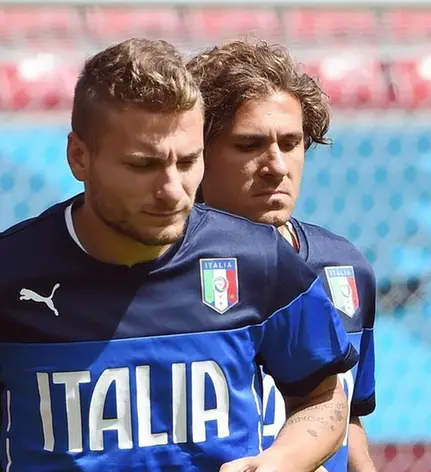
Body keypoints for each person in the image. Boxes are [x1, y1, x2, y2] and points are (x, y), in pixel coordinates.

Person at [0, 38, 357, 472]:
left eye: (187, 162)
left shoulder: (259, 261)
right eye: (143, 165)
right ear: (79, 157)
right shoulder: (11, 275)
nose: (172, 191)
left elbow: (323, 396)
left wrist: (280, 461)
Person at [188, 40, 378, 472]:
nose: (276, 166)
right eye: (249, 145)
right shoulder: (164, 275)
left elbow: (350, 420)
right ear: (197, 152)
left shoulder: (344, 267)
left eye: (291, 143)